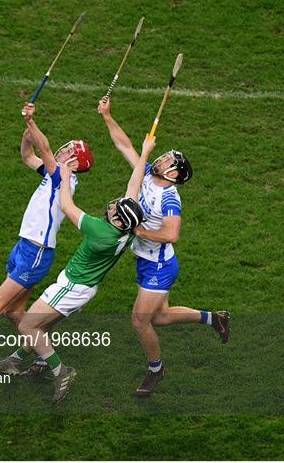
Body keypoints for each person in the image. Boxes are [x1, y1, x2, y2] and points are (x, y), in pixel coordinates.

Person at [0, 135, 155, 402]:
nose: (112, 205)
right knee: (42, 325)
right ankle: (15, 360)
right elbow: (133, 186)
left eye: (115, 208)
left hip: (71, 286)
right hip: (85, 288)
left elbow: (67, 206)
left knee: (28, 326)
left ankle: (61, 371)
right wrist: (145, 153)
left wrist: (66, 176)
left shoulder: (100, 230)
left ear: (116, 220)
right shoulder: (126, 229)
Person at [0, 103, 94, 379]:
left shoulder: (63, 179)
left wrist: (32, 123)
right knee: (14, 312)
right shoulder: (52, 175)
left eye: (69, 150)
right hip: (25, 247)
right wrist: (27, 136)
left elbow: (45, 151)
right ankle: (44, 356)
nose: (63, 148)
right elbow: (29, 156)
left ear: (73, 162)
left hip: (35, 253)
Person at [98, 96, 230, 397]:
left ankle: (156, 370)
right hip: (147, 261)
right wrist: (107, 115)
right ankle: (214, 318)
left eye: (168, 160)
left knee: (139, 320)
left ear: (173, 174)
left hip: (160, 265)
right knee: (160, 317)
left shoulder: (170, 198)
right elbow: (124, 146)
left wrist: (139, 229)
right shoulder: (146, 175)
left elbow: (172, 234)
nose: (163, 158)